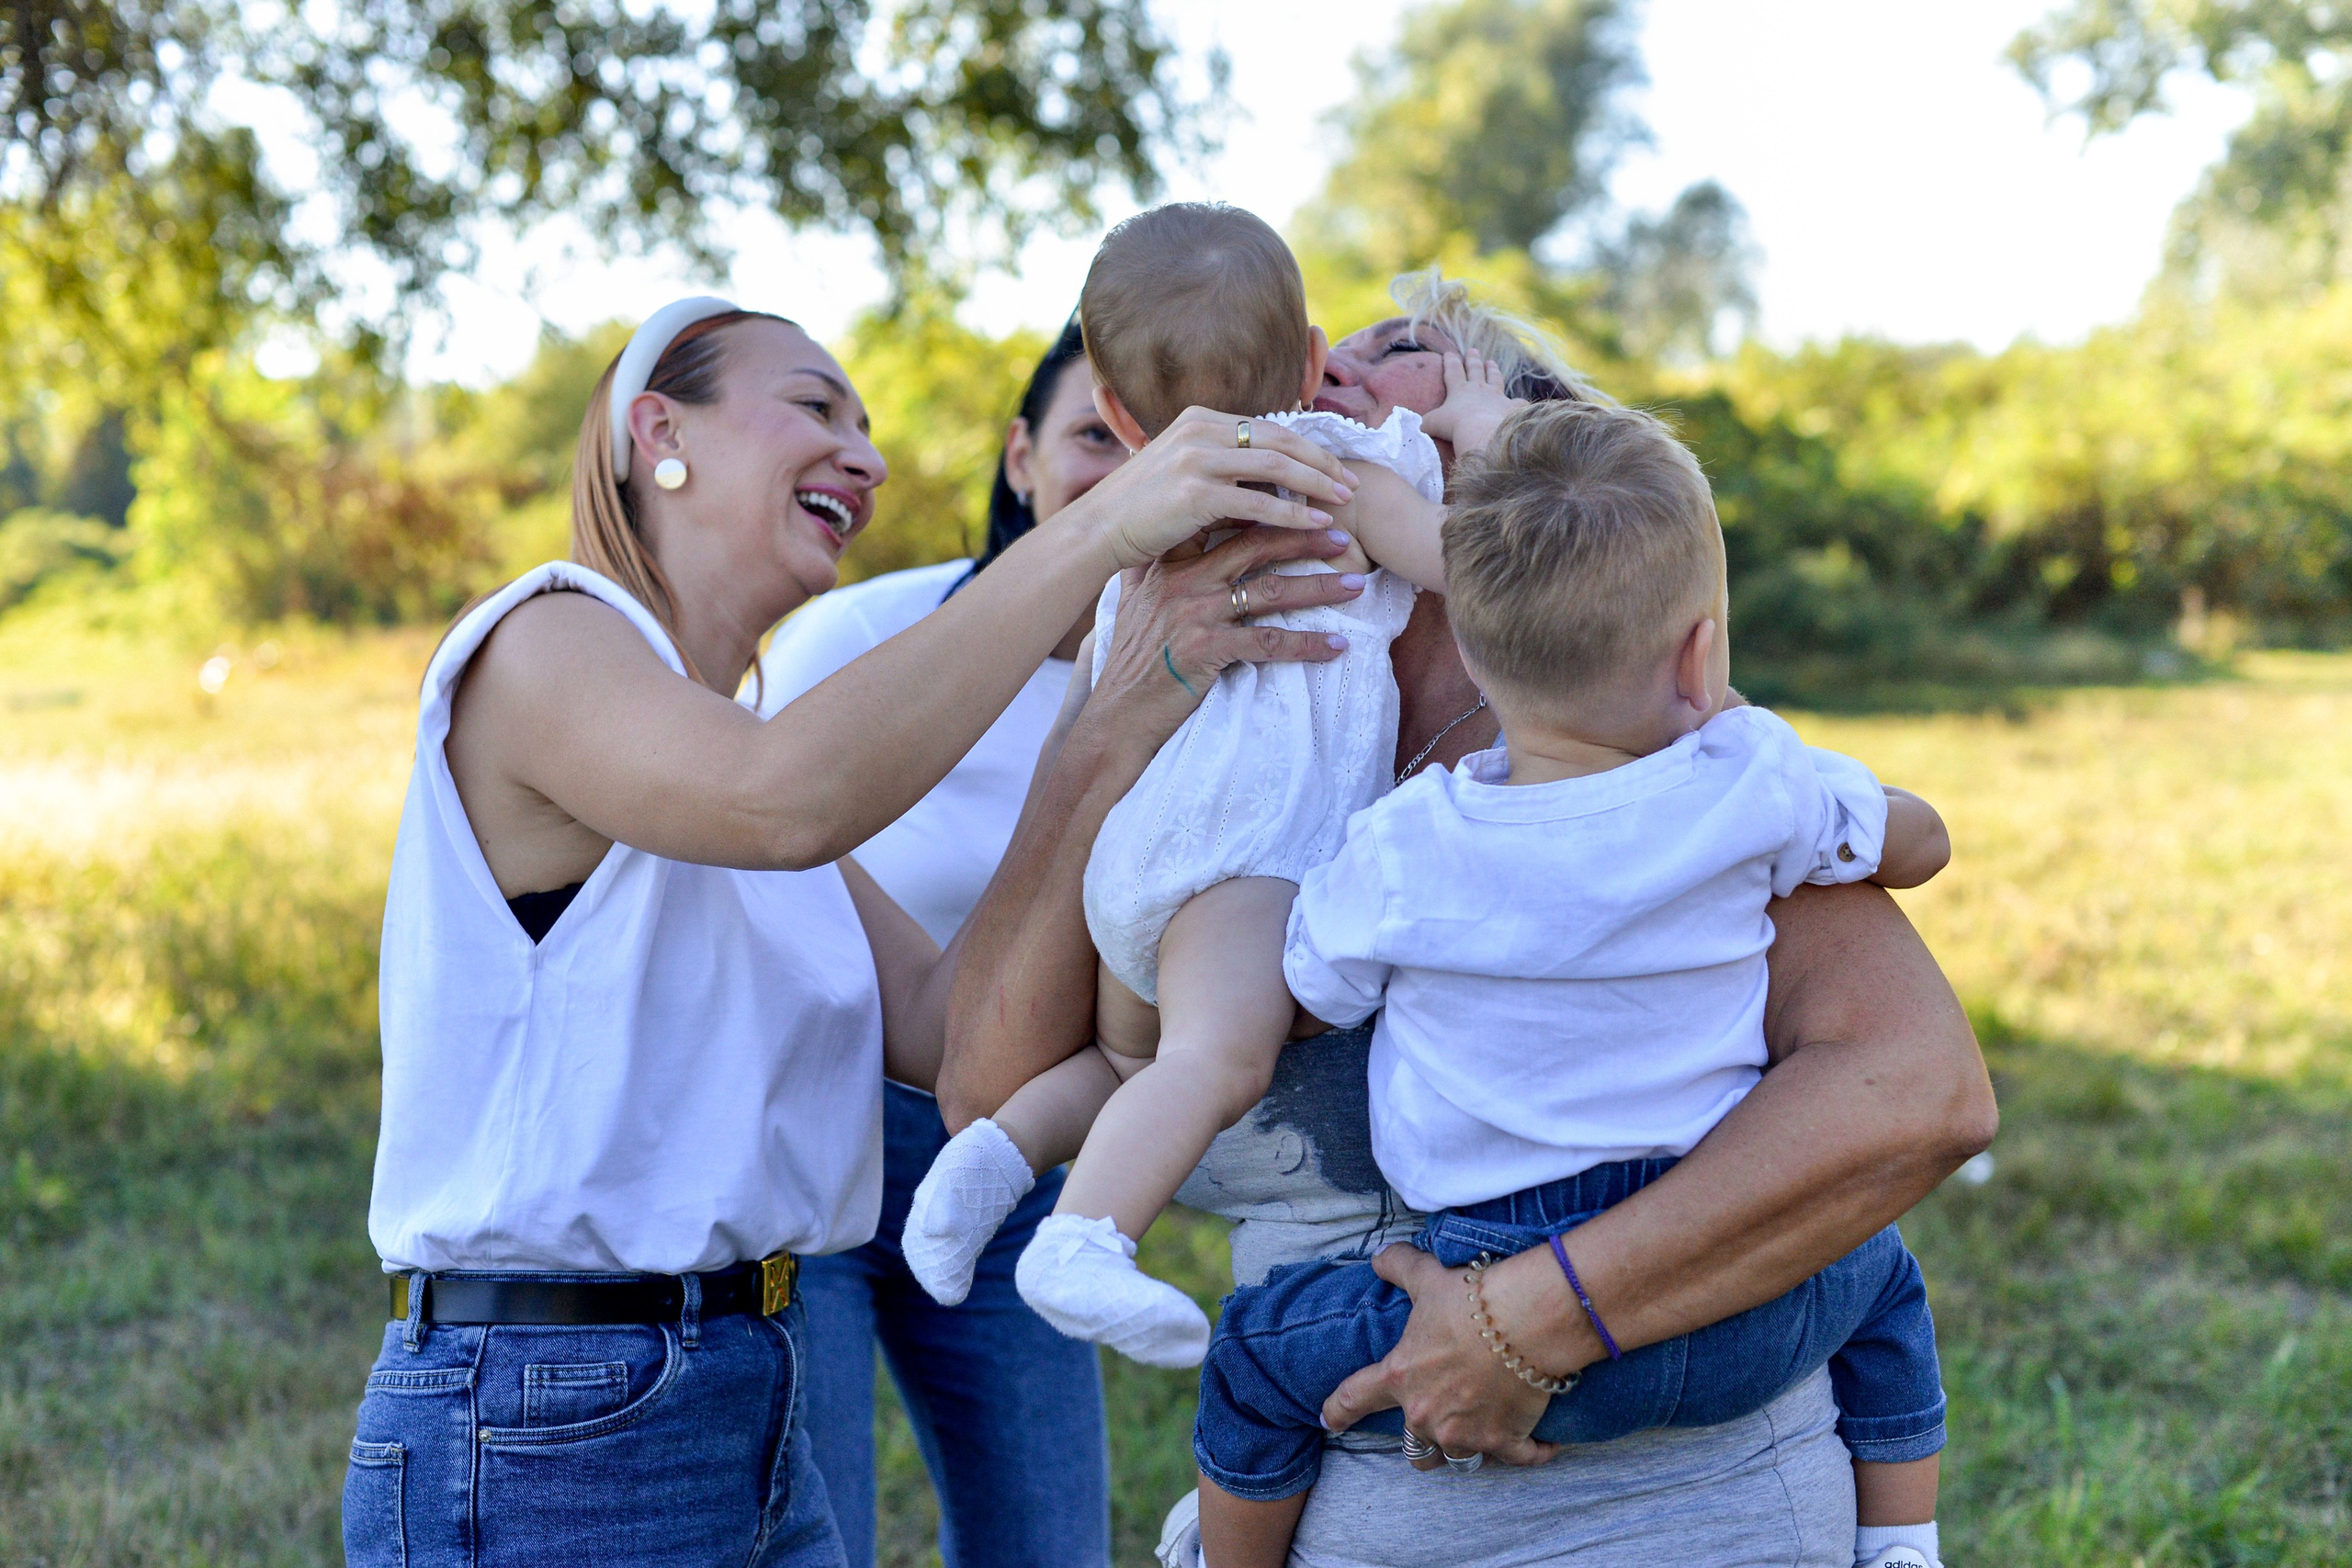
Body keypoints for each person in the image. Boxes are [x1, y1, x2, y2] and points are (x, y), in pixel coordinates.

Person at [940, 271, 1999, 1568]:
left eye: (1395, 358)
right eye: (1315, 363)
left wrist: (1523, 1319)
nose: (1320, 375)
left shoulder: (1658, 758)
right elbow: (991, 1086)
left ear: (1504, 473)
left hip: (1674, 1510)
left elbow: (1921, 1092)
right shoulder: (1224, 723)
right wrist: (1112, 718)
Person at [344, 294, 1367, 1568]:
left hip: (744, 1396)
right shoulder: (547, 639)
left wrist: (1106, 727)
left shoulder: (733, 745)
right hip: (551, 1410)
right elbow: (784, 797)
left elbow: (960, 1045)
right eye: (816, 407)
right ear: (658, 427)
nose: (869, 459)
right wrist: (1107, 522)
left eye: (869, 428)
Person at [1196, 400, 1955, 1568]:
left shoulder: (1404, 846)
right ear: (1701, 656)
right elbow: (1921, 843)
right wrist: (1831, 791)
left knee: (1253, 1359)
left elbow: (1311, 991)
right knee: (1885, 1276)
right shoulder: (1752, 778)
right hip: (1737, 1315)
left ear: (1481, 659)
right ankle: (1902, 1544)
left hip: (1473, 1289)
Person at [901, 205, 1474, 1365]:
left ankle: (991, 1159)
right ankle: (1083, 1240)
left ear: (1115, 414)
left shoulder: (1139, 529)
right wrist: (1496, 438)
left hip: (1132, 855)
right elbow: (1465, 563)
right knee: (1217, 1061)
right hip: (1243, 856)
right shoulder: (1335, 469)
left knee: (1126, 1064)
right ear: (1313, 360)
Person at [750, 318, 1123, 1568]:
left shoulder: (1196, 678)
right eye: (1091, 436)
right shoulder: (860, 641)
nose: (1122, 475)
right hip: (819, 1145)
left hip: (1010, 1151)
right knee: (825, 1539)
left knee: (1052, 1542)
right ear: (1020, 457)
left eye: (1158, 446)